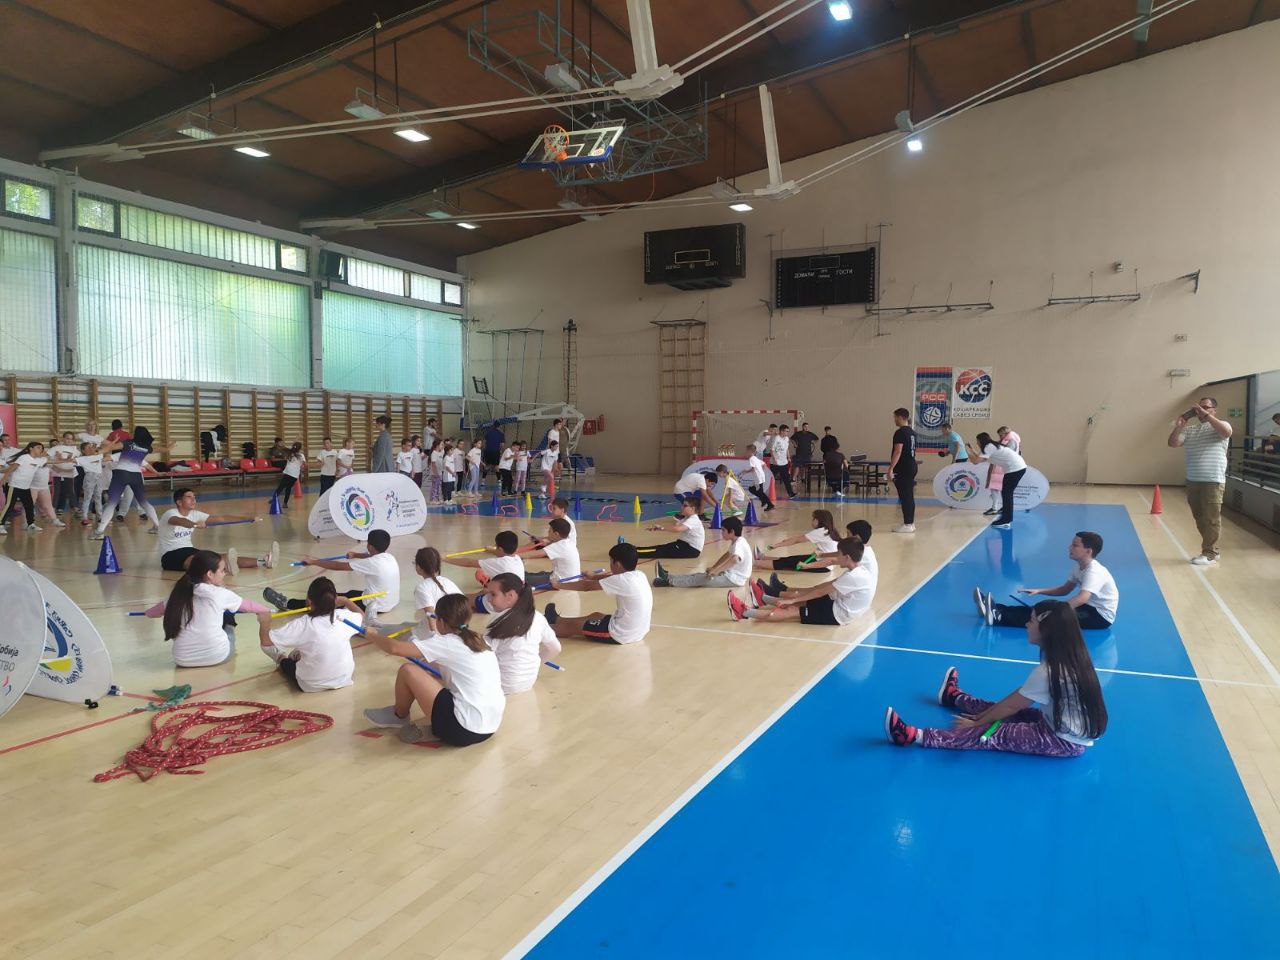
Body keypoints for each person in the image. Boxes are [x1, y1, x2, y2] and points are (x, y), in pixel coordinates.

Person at [884, 600, 1108, 758]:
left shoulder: (1049, 671)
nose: (1027, 625)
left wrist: (977, 723)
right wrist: (983, 715)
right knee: (999, 709)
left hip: (1062, 740)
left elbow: (1011, 706)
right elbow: (1014, 700)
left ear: (1046, 630)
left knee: (995, 734)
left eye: (1031, 621)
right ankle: (954, 697)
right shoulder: (1071, 658)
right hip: (1057, 724)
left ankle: (914, 736)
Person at [362, 593, 505, 747]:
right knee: (432, 677)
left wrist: (372, 636)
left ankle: (399, 715)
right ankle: (437, 727)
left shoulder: (447, 642)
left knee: (407, 670)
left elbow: (395, 648)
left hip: (463, 730)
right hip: (490, 726)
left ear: (441, 621)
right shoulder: (478, 640)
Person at [141, 550, 272, 667]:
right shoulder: (221, 594)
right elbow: (250, 606)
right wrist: (266, 610)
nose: (225, 573)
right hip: (218, 656)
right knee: (228, 614)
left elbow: (153, 613)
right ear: (210, 574)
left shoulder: (177, 594)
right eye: (222, 570)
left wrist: (147, 613)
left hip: (182, 660)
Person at [976, 531, 1118, 629]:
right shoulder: (1079, 567)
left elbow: (1082, 598)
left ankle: (999, 618)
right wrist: (1039, 591)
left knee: (1046, 617)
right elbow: (1064, 590)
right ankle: (996, 608)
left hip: (1099, 616)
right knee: (1041, 608)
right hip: (1088, 607)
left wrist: (1057, 610)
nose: (1070, 547)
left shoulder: (1094, 571)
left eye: (1075, 545)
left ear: (1088, 551)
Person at [729, 535, 874, 624]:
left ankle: (743, 612)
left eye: (839, 554)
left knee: (792, 610)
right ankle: (763, 598)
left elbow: (820, 593)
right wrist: (802, 595)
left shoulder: (853, 577)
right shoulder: (858, 571)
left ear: (847, 557)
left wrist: (792, 600)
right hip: (840, 604)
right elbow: (825, 587)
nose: (836, 557)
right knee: (805, 598)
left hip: (838, 614)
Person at [275, 528, 400, 625]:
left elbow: (339, 566)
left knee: (325, 599)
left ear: (370, 546)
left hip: (376, 605)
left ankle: (287, 603)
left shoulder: (372, 562)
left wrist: (313, 562)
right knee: (350, 593)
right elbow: (370, 556)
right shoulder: (389, 557)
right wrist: (356, 555)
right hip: (389, 602)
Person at [257, 577, 358, 692]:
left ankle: (281, 658)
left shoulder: (303, 624)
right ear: (335, 599)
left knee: (286, 661)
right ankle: (296, 655)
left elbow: (266, 643)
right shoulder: (344, 616)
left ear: (309, 601)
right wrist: (346, 601)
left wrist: (264, 622)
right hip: (344, 678)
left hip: (312, 684)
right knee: (304, 649)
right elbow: (363, 618)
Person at [545, 542, 653, 645]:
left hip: (619, 634)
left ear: (617, 564)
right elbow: (612, 578)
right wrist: (593, 576)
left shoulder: (622, 580)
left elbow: (586, 586)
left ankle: (541, 630)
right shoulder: (639, 575)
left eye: (611, 561)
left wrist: (558, 585)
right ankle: (556, 619)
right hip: (637, 631)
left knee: (570, 627)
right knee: (595, 616)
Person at [1167, 397, 1232, 565]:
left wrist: (1206, 415)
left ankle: (1209, 553)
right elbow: (1172, 443)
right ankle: (1212, 550)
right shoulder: (1191, 430)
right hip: (1193, 480)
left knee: (1211, 518)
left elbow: (1226, 432)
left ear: (1214, 410)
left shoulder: (1221, 426)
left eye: (1206, 407)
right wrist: (1180, 425)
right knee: (1200, 517)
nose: (1201, 411)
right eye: (1199, 408)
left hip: (1213, 480)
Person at [158, 488, 274, 573]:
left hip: (189, 550)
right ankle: (220, 568)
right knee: (199, 561)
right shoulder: (170, 513)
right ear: (179, 502)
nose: (193, 500)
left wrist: (248, 518)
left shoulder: (195, 514)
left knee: (221, 558)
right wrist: (194, 525)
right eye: (189, 497)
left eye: (194, 497)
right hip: (170, 555)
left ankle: (263, 561)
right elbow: (178, 521)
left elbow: (222, 518)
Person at [482, 573, 561, 695]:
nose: (488, 599)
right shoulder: (538, 617)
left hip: (499, 686)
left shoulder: (499, 620)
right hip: (527, 684)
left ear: (510, 596)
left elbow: (482, 655)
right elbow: (555, 648)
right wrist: (535, 662)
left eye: (493, 594)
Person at [653, 515, 753, 592]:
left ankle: (667, 581)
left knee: (700, 579)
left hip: (734, 579)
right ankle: (668, 577)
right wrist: (714, 567)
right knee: (699, 575)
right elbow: (726, 555)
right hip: (731, 576)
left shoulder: (739, 544)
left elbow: (735, 559)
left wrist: (717, 570)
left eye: (723, 530)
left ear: (732, 532)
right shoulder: (738, 541)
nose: (721, 533)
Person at [91, 440, 161, 540]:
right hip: (136, 476)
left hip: (121, 476)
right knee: (144, 502)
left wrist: (94, 456)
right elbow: (147, 464)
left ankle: (99, 531)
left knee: (112, 503)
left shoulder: (119, 454)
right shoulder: (137, 454)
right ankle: (157, 526)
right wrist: (157, 473)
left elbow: (104, 459)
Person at [447, 531, 525, 609]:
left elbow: (469, 562)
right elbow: (501, 553)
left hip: (498, 603)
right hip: (515, 598)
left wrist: (445, 559)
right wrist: (491, 550)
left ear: (500, 549)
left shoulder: (498, 562)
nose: (495, 547)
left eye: (496, 546)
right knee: (483, 590)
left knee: (459, 600)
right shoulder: (517, 558)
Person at [972, 430, 1027, 529]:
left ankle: (1006, 520)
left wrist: (967, 451)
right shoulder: (991, 446)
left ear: (981, 441)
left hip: (1015, 469)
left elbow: (975, 461)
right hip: (1016, 468)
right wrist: (971, 450)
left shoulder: (988, 447)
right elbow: (979, 458)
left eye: (977, 441)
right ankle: (1006, 518)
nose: (977, 443)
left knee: (1007, 494)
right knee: (1006, 494)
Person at [753, 510, 838, 571]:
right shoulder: (830, 530)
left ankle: (753, 562)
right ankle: (762, 558)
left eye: (813, 519)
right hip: (823, 562)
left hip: (822, 565)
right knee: (790, 559)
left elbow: (797, 540)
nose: (812, 521)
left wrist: (776, 545)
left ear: (818, 520)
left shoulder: (821, 531)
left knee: (785, 563)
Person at [628, 497, 704, 559]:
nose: (682, 507)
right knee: (660, 548)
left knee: (659, 550)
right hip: (684, 545)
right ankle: (634, 550)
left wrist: (662, 528)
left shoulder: (693, 519)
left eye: (685, 506)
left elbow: (677, 529)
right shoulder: (686, 518)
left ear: (693, 508)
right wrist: (658, 528)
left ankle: (632, 552)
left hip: (691, 549)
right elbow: (675, 527)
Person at [521, 518, 581, 589]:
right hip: (570, 579)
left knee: (521, 579)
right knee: (540, 573)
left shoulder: (559, 546)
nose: (548, 532)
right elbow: (553, 545)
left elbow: (535, 554)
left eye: (549, 531)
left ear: (556, 534)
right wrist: (543, 541)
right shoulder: (568, 542)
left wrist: (514, 555)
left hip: (561, 582)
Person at [1, 441, 48, 533]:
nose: (41, 450)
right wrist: (3, 480)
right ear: (31, 448)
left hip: (25, 487)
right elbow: (11, 469)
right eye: (38, 447)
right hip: (14, 485)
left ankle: (30, 524)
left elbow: (52, 461)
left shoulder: (39, 460)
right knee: (9, 505)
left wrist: (67, 460)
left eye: (41, 448)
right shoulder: (24, 457)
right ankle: (1, 524)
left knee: (29, 506)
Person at [888, 408, 918, 533]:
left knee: (905, 496)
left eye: (895, 417)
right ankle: (910, 522)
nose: (894, 420)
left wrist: (891, 469)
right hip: (912, 465)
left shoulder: (900, 432)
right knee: (909, 495)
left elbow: (898, 451)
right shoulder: (912, 432)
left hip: (903, 468)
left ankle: (908, 524)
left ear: (901, 417)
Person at [412, 546, 462, 620]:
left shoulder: (421, 588)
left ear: (418, 567)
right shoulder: (448, 581)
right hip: (456, 625)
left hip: (440, 626)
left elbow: (432, 618)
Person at [76, 440, 105, 525]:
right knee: (87, 498)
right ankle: (84, 517)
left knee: (98, 497)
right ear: (83, 450)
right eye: (88, 447)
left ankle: (100, 516)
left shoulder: (98, 455)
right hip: (89, 477)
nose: (90, 448)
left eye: (91, 446)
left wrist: (113, 441)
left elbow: (106, 449)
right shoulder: (82, 459)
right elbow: (70, 460)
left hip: (99, 477)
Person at [743, 443, 775, 512]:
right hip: (760, 477)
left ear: (750, 452)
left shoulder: (751, 459)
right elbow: (763, 464)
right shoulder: (755, 458)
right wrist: (761, 471)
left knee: (759, 492)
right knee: (752, 489)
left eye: (746, 451)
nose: (745, 452)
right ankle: (763, 501)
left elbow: (753, 469)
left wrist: (746, 471)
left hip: (758, 478)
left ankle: (770, 504)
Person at [771, 424, 796, 498]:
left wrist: (788, 457)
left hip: (784, 462)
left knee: (786, 479)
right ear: (782, 431)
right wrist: (775, 460)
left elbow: (786, 448)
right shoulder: (776, 438)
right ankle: (763, 492)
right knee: (771, 479)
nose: (787, 433)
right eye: (786, 431)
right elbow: (772, 450)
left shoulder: (787, 439)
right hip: (775, 463)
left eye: (788, 431)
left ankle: (790, 493)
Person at [426, 439, 444, 503]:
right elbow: (433, 464)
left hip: (440, 472)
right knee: (435, 486)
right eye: (441, 445)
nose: (443, 446)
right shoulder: (434, 453)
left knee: (438, 486)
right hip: (435, 473)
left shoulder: (441, 453)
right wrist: (436, 473)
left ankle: (437, 498)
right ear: (437, 445)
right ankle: (432, 499)